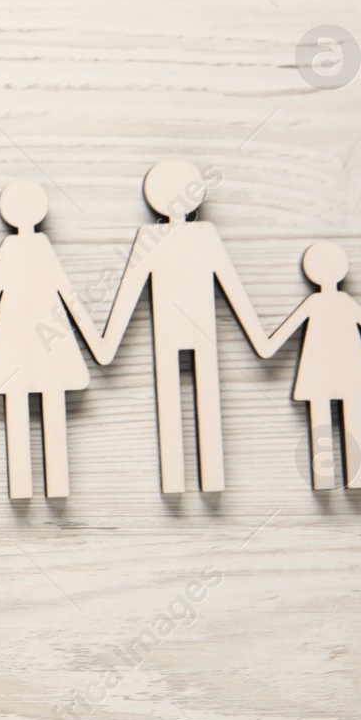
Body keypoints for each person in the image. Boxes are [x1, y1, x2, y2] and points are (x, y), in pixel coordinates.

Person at [98, 160, 268, 493]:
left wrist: (107, 342)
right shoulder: (194, 235)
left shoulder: (163, 237)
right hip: (183, 332)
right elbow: (232, 289)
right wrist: (260, 338)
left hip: (179, 332)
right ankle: (200, 478)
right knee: (197, 396)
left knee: (181, 398)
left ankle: (193, 479)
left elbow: (229, 287)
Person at [0, 181, 104, 499]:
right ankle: (51, 485)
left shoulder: (19, 250)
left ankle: (30, 487)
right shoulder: (34, 249)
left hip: (16, 347)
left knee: (22, 404)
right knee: (47, 402)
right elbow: (70, 299)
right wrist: (99, 344)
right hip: (43, 346)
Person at [260, 241, 361, 490]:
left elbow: (279, 337)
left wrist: (264, 345)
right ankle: (351, 477)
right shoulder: (340, 301)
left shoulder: (315, 303)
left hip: (321, 372)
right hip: (346, 370)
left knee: (321, 420)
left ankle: (329, 478)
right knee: (349, 416)